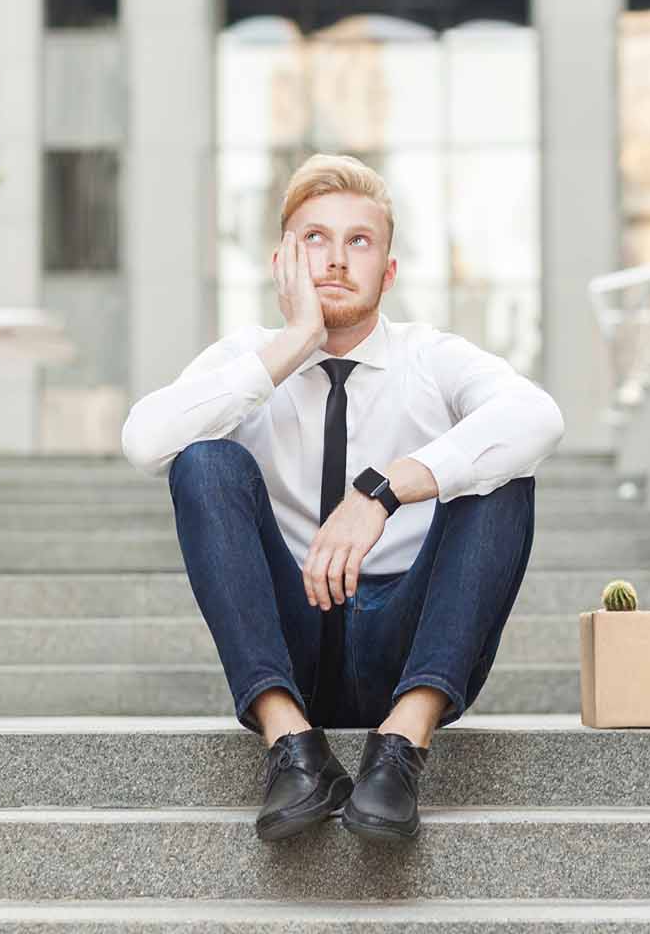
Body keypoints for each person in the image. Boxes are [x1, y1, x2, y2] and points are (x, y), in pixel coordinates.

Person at [121, 153, 564, 843]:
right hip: (287, 643)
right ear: (282, 265)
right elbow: (145, 439)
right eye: (314, 239)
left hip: (407, 639)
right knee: (203, 462)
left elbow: (538, 417)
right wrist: (296, 342)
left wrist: (384, 490)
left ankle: (400, 750)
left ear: (387, 272)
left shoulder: (430, 358)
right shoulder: (247, 360)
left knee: (498, 471)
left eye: (358, 241)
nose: (335, 259)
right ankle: (293, 750)